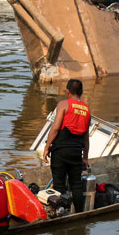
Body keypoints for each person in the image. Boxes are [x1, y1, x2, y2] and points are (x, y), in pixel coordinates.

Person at [43, 78, 91, 212]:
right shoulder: (87, 110)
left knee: (59, 186)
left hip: (61, 151)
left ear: (67, 91)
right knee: (76, 185)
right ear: (81, 92)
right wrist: (85, 158)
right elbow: (86, 138)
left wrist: (47, 147)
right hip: (76, 152)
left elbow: (56, 128)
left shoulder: (63, 104)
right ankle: (79, 214)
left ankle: (60, 215)